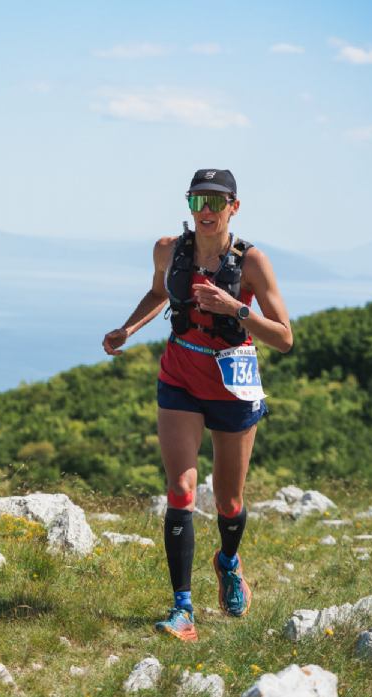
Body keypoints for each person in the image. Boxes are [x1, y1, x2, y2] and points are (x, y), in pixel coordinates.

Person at [101, 169, 293, 642]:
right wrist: (128, 329)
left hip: (233, 386)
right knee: (181, 491)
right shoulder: (169, 249)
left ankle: (228, 561)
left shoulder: (252, 263)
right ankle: (182, 608)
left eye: (215, 202)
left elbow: (285, 338)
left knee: (228, 500)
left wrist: (235, 308)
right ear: (188, 206)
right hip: (180, 378)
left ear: (234, 206)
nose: (205, 212)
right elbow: (159, 292)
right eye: (197, 202)